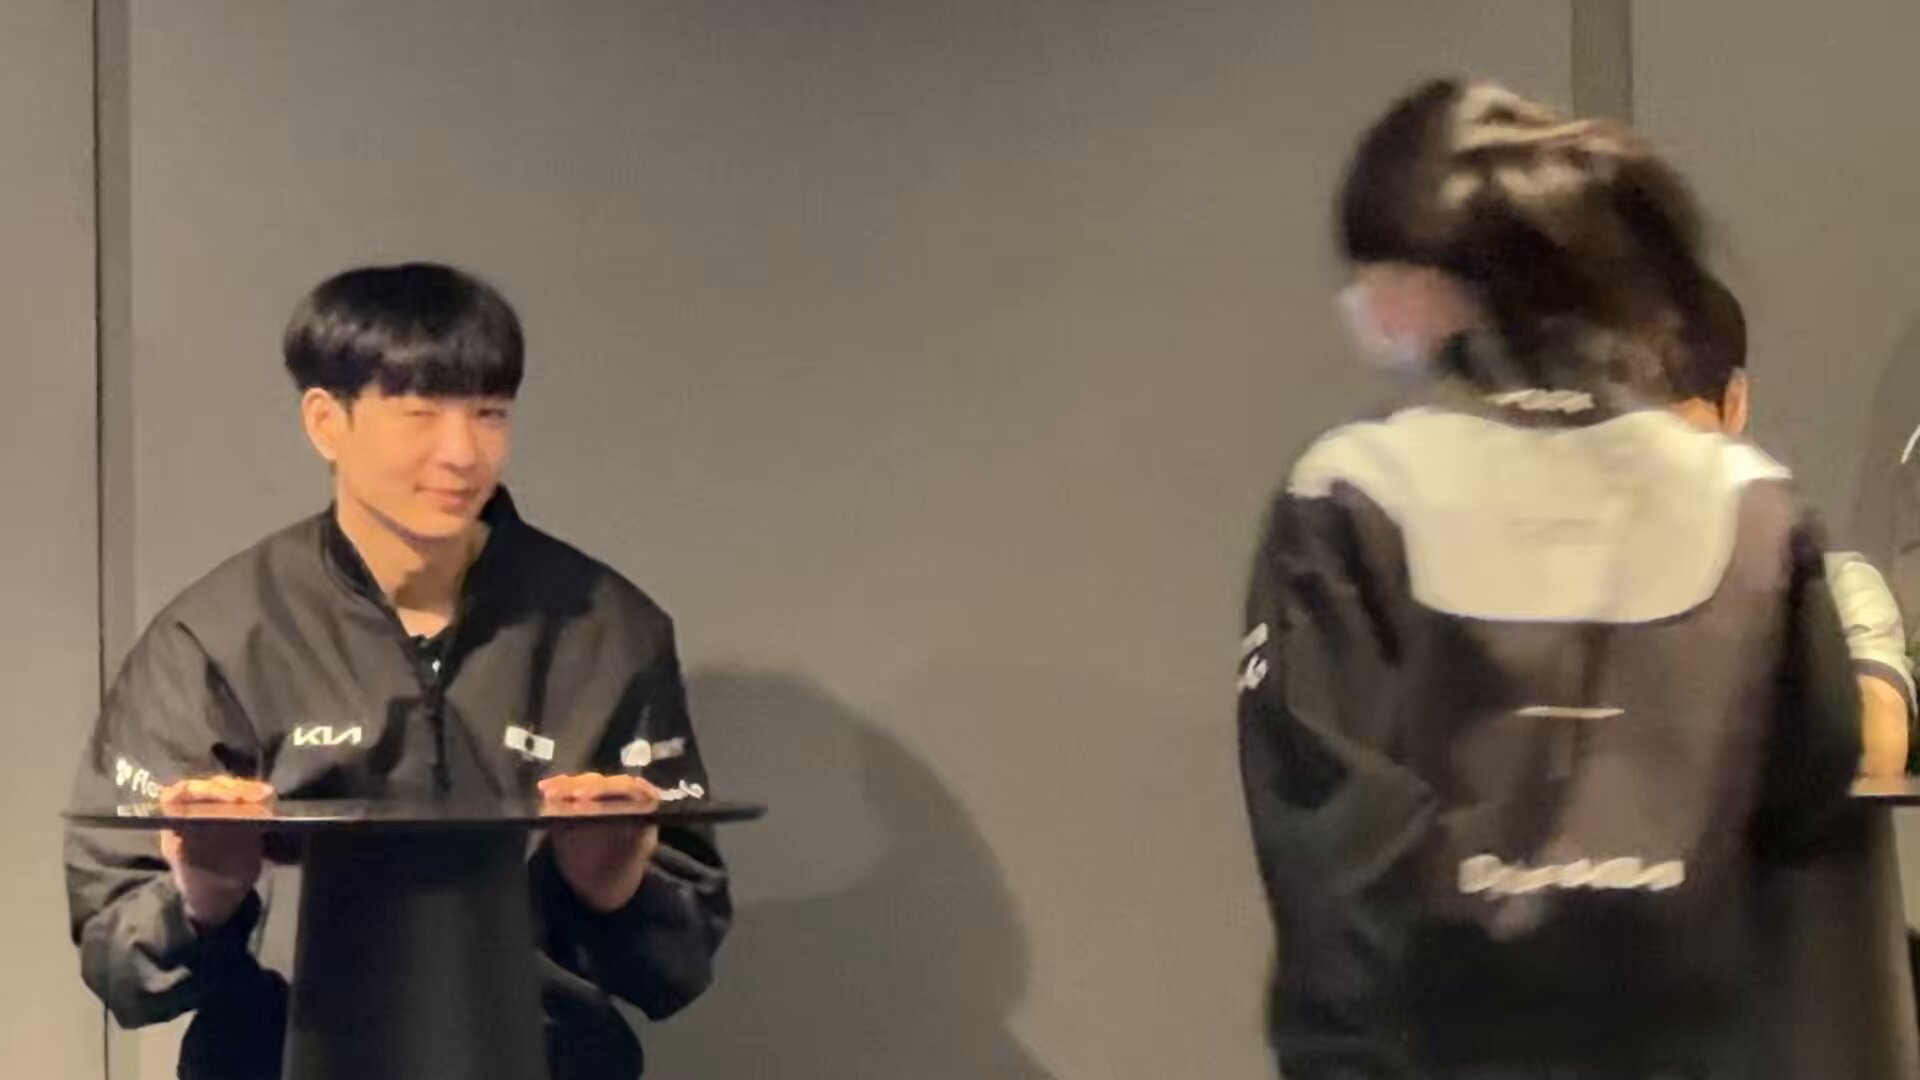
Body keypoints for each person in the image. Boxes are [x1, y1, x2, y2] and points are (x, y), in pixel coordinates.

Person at [1237, 80, 1861, 1078]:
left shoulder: (1353, 497)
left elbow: (1333, 859)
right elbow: (1816, 800)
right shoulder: (1747, 501)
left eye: (1372, 271)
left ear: (1430, 275)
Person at [65, 263, 730, 1080]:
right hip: (278, 1061)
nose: (462, 452)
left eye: (489, 414)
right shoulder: (215, 636)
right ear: (326, 422)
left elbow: (679, 963)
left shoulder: (607, 628)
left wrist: (614, 886)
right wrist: (204, 895)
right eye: (420, 415)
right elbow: (119, 960)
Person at [1664, 274, 1914, 776]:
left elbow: (1879, 747)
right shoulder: (1539, 591)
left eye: (1672, 433)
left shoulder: (1831, 588)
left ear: (1735, 405)